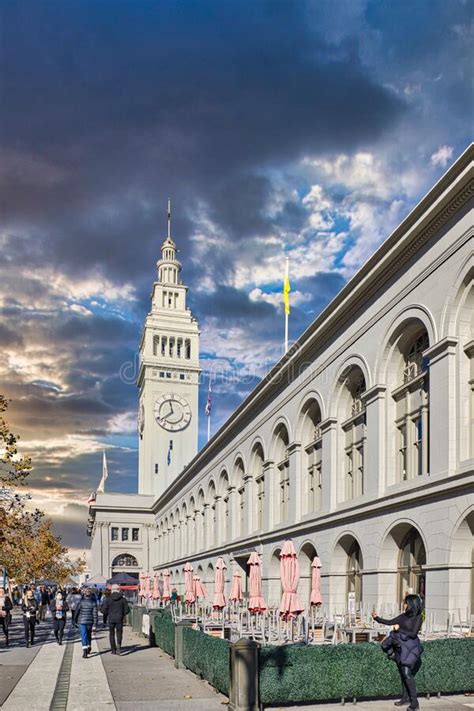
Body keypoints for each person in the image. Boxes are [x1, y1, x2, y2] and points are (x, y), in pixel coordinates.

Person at [372, 594, 423, 710]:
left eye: (405, 602)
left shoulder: (418, 617)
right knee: (403, 675)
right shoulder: (403, 616)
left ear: (411, 604)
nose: (404, 604)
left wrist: (398, 629)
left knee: (407, 675)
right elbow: (390, 622)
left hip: (410, 649)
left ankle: (415, 703)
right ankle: (405, 698)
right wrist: (376, 618)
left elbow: (413, 634)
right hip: (400, 648)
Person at [100, 584, 129, 655]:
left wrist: (106, 612)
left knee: (111, 634)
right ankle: (118, 646)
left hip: (111, 619)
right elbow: (127, 610)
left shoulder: (108, 599)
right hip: (119, 618)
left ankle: (113, 650)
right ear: (119, 590)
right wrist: (122, 613)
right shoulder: (123, 599)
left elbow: (104, 610)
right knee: (119, 633)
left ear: (112, 590)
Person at [73, 588, 98, 658]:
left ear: (84, 594)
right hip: (90, 621)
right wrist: (95, 624)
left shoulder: (80, 602)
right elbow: (95, 614)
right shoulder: (93, 603)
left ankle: (84, 649)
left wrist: (74, 620)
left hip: (82, 621)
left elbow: (76, 612)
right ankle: (89, 645)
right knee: (88, 634)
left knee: (83, 635)